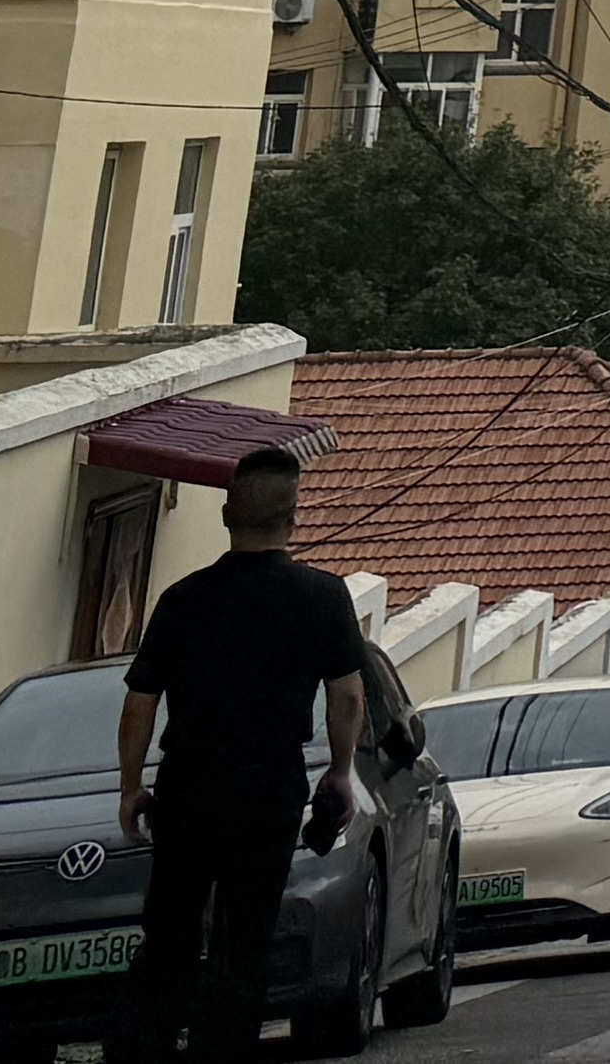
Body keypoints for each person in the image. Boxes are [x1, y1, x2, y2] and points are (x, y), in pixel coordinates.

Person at [115, 450, 365, 1064]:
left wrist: (130, 786)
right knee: (246, 939)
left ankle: (150, 1045)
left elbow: (140, 703)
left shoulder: (182, 600)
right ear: (294, 518)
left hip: (190, 789)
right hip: (268, 794)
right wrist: (339, 771)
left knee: (170, 932)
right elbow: (348, 695)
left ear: (227, 514)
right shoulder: (323, 598)